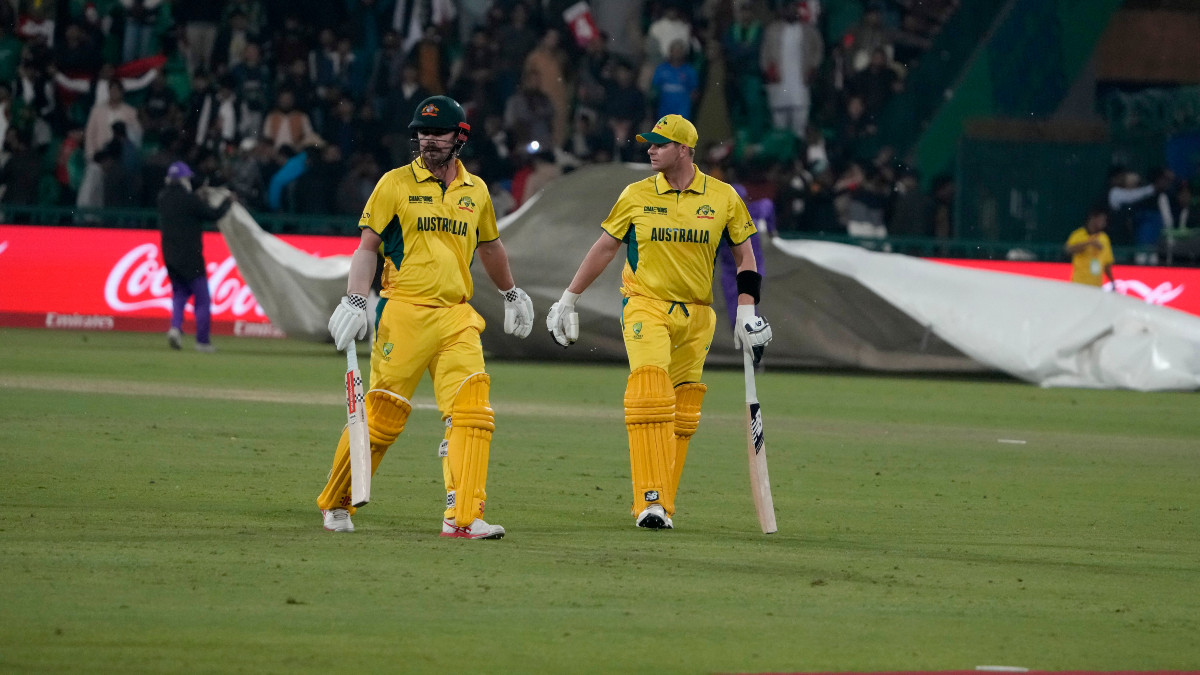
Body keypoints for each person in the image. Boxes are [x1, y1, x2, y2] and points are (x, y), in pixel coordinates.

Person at [318, 95, 535, 539]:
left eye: (437, 133)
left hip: (457, 316)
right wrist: (356, 300)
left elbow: (490, 246)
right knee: (381, 419)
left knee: (473, 413)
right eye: (422, 132)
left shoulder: (475, 192)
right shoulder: (394, 184)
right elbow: (367, 247)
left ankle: (462, 517)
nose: (428, 141)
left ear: (460, 137)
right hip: (404, 312)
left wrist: (510, 292)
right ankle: (337, 503)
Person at [545, 114, 774, 531]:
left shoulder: (723, 198)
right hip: (644, 305)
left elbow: (746, 256)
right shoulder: (635, 194)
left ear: (684, 149)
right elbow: (604, 248)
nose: (650, 149)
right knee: (650, 393)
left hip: (698, 313)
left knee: (683, 413)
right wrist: (568, 298)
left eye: (660, 144)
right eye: (649, 144)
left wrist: (746, 312)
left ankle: (662, 505)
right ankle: (648, 501)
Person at [158, 161, 235, 352]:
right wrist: (228, 202)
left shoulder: (163, 198)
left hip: (169, 254)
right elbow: (213, 215)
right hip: (191, 255)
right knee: (202, 300)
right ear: (184, 179)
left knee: (179, 294)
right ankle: (202, 341)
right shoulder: (189, 200)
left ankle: (175, 328)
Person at [1065, 204, 1116, 288]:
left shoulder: (1104, 238)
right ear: (1093, 219)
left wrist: (1112, 281)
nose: (1104, 223)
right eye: (1101, 220)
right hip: (1079, 284)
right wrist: (1089, 243)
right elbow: (1068, 249)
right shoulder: (1079, 234)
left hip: (1096, 286)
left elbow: (1107, 264)